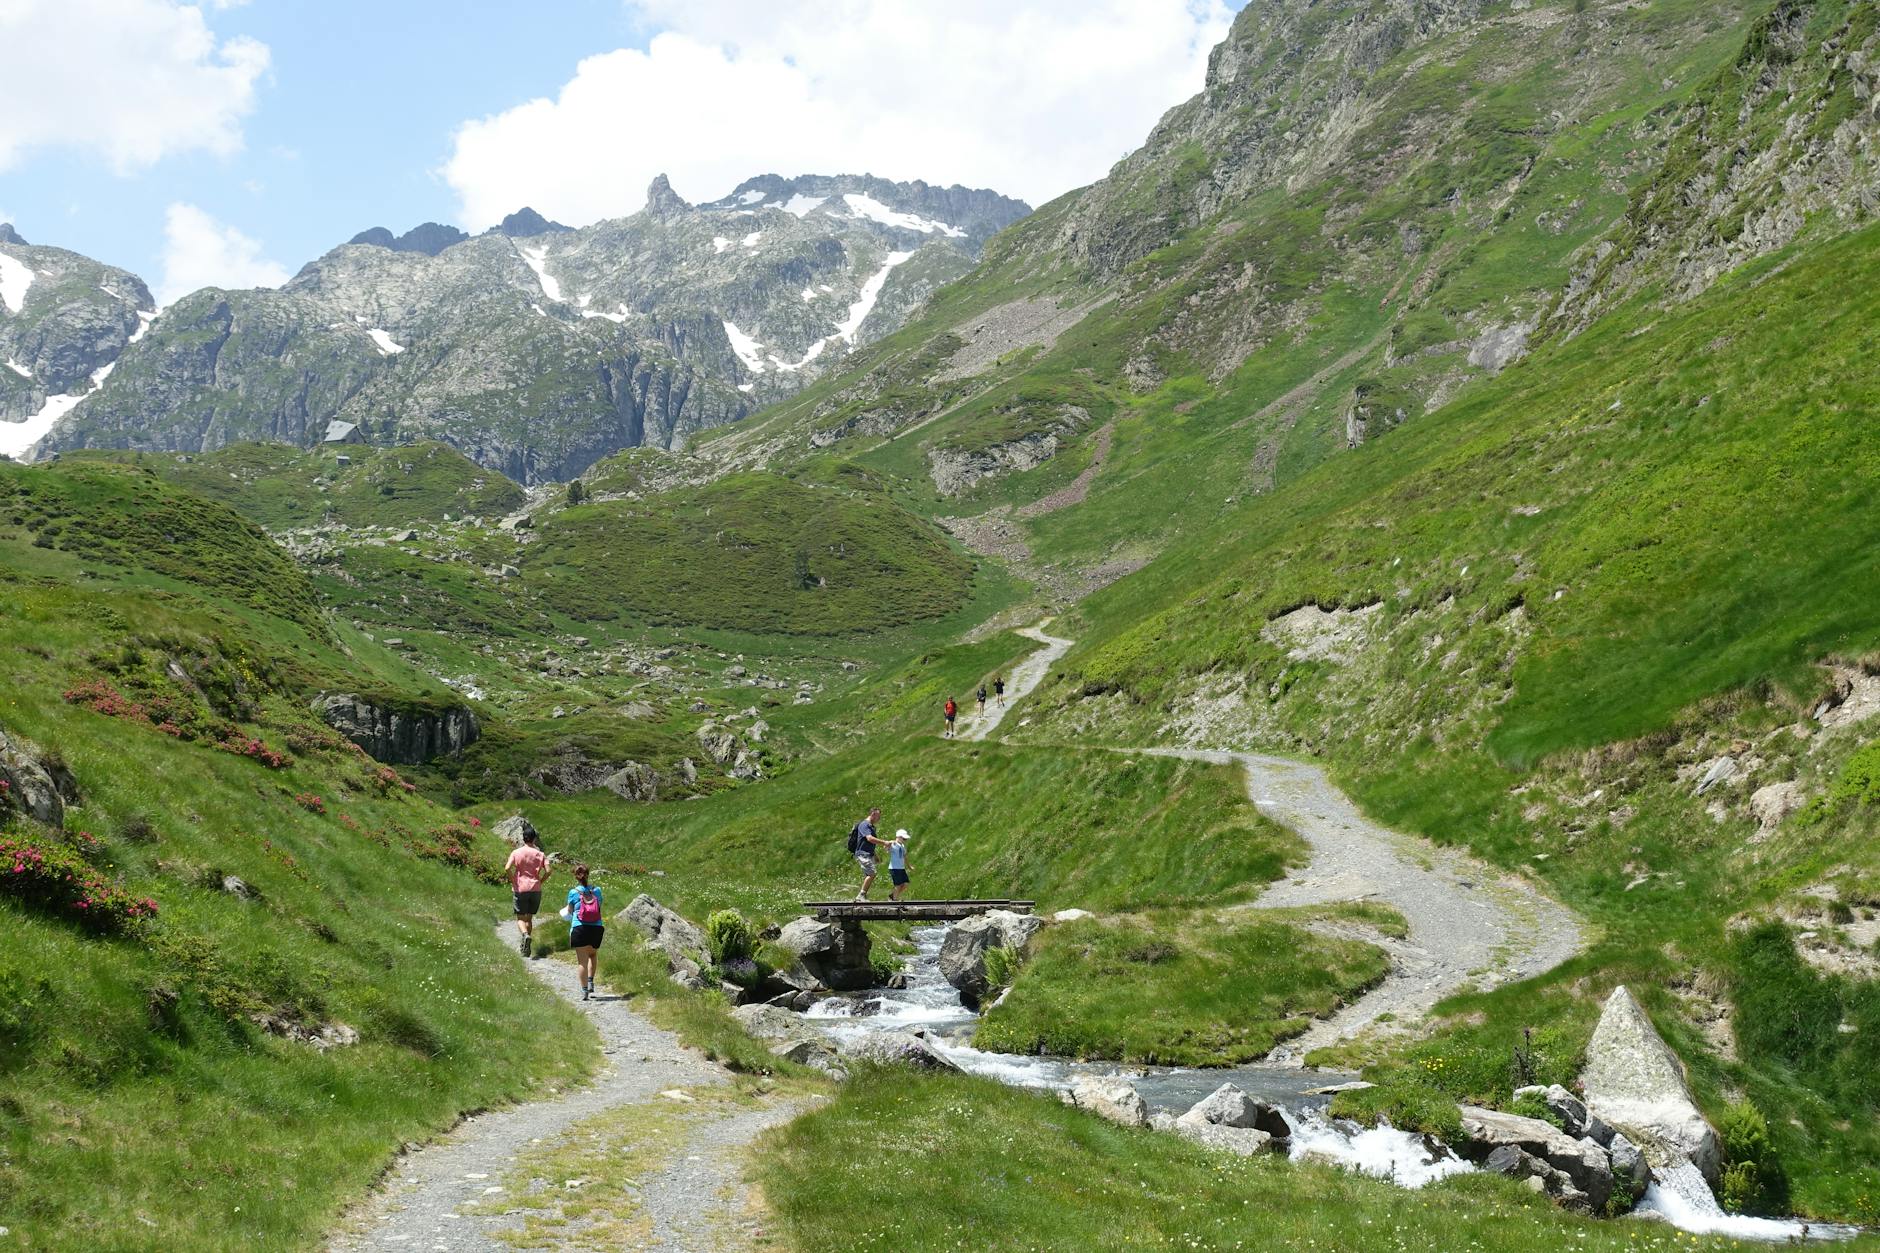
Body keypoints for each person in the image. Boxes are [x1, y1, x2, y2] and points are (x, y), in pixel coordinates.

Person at [504, 828, 551, 958]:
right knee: (529, 917)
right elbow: (548, 870)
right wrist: (541, 881)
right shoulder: (540, 854)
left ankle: (525, 935)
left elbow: (507, 867)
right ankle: (527, 947)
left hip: (520, 888)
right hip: (535, 888)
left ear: (524, 838)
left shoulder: (516, 852)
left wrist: (513, 879)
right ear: (534, 838)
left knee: (520, 917)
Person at [562, 865, 604, 1000]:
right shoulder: (597, 891)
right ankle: (591, 981)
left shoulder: (573, 892)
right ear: (588, 875)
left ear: (576, 876)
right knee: (592, 954)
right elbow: (599, 907)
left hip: (579, 928)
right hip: (596, 928)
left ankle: (584, 991)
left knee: (582, 962)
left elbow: (569, 911)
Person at [850, 807, 885, 901]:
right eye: (878, 816)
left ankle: (863, 895)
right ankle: (861, 895)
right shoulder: (864, 825)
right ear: (873, 814)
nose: (879, 818)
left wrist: (875, 854)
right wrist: (885, 842)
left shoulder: (871, 826)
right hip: (862, 854)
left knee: (870, 874)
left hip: (868, 853)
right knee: (872, 873)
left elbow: (868, 842)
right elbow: (869, 838)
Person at [887, 829, 913, 903]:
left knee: (905, 884)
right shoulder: (894, 844)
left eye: (906, 839)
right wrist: (890, 843)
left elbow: (904, 856)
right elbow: (886, 847)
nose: (905, 840)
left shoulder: (902, 846)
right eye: (904, 839)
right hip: (894, 868)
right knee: (898, 885)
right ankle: (894, 900)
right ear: (898, 837)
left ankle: (892, 895)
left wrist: (909, 866)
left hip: (901, 868)